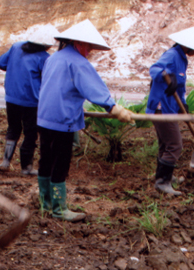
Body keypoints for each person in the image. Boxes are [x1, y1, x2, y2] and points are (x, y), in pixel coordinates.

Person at [37, 19, 134, 222]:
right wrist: (113, 107)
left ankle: (45, 203)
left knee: (46, 159)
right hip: (62, 120)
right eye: (88, 46)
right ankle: (59, 207)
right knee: (60, 164)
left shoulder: (53, 58)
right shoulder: (78, 63)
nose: (89, 51)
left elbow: (58, 87)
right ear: (78, 43)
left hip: (45, 117)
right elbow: (93, 88)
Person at [146, 26, 194, 195]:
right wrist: (166, 76)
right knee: (175, 144)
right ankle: (163, 182)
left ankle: (163, 177)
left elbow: (179, 88)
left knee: (166, 144)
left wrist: (184, 105)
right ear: (188, 46)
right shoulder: (172, 55)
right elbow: (154, 69)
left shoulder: (182, 59)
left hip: (170, 108)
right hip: (161, 108)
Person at [0, 24, 59, 175]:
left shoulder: (16, 47)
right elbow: (48, 79)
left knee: (13, 128)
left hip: (12, 97)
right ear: (46, 44)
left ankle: (6, 161)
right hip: (32, 101)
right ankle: (26, 168)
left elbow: (1, 63)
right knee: (30, 133)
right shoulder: (44, 58)